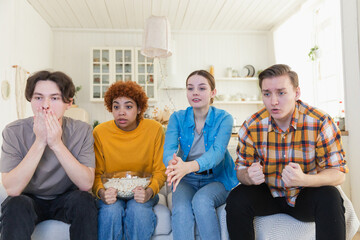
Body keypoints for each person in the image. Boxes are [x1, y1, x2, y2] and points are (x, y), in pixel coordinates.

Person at [226, 64, 348, 240]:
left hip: (305, 194)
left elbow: (338, 173)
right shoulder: (251, 126)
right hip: (267, 193)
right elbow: (241, 172)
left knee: (330, 196)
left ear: (296, 93)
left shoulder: (320, 122)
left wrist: (305, 179)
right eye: (267, 94)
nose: (273, 101)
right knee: (237, 198)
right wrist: (248, 176)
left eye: (281, 93)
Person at [0, 71, 97, 240]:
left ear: (69, 103)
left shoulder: (82, 130)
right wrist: (40, 142)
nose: (45, 105)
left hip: (67, 198)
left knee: (84, 201)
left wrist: (56, 144)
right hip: (29, 199)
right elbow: (12, 189)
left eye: (54, 98)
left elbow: (86, 184)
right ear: (30, 100)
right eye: (38, 98)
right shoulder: (13, 131)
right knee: (15, 204)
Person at [163, 70, 238, 240]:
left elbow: (217, 153)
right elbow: (169, 150)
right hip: (186, 179)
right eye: (190, 88)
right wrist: (173, 164)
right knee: (181, 209)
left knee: (201, 201)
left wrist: (187, 167)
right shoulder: (177, 117)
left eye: (202, 88)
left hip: (217, 179)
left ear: (213, 93)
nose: (195, 92)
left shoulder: (224, 118)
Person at [92, 81, 166, 240]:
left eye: (128, 106)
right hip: (111, 193)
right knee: (110, 212)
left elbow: (160, 170)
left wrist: (149, 192)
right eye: (116, 106)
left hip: (143, 192)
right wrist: (102, 193)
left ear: (139, 108)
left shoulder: (154, 129)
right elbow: (96, 173)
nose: (121, 112)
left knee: (137, 210)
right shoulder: (100, 132)